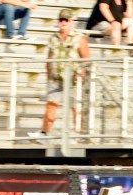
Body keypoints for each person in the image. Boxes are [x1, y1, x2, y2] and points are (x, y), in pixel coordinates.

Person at [29, 9, 90, 141]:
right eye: (61, 20)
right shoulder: (53, 38)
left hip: (73, 79)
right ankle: (44, 134)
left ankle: (77, 134)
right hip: (55, 78)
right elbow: (49, 57)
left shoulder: (79, 38)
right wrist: (48, 74)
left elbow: (86, 59)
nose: (63, 23)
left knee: (75, 107)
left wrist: (81, 75)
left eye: (66, 20)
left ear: (71, 22)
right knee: (51, 105)